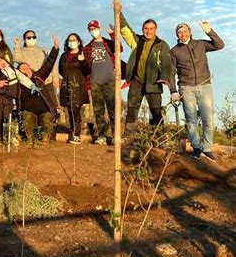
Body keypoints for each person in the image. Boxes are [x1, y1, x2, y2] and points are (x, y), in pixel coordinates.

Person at [169, 21, 224, 161]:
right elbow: (171, 72)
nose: (183, 34)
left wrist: (209, 31)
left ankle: (207, 148)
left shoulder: (201, 44)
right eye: (180, 32)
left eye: (185, 31)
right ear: (177, 34)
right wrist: (173, 91)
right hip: (186, 88)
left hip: (205, 85)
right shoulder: (174, 51)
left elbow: (219, 45)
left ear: (190, 31)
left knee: (208, 119)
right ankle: (196, 147)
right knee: (191, 120)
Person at [119, 10, 172, 138]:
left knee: (156, 111)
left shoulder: (161, 45)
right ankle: (128, 136)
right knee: (132, 110)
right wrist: (118, 13)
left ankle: (157, 137)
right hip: (136, 81)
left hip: (153, 83)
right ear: (143, 29)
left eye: (151, 29)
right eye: (146, 28)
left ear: (155, 30)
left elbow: (166, 62)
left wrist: (164, 77)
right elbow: (125, 30)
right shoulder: (137, 41)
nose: (148, 31)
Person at [83, 20, 123, 145]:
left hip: (110, 80)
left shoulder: (107, 43)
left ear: (99, 28)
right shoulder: (88, 47)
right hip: (95, 82)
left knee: (113, 109)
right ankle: (102, 135)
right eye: (91, 29)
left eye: (95, 28)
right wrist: (88, 86)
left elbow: (119, 48)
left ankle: (116, 135)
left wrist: (113, 35)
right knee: (98, 110)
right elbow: (87, 67)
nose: (93, 31)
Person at [18, 34, 60, 146]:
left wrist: (55, 49)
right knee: (28, 118)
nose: (26, 69)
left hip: (44, 109)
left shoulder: (39, 77)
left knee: (47, 119)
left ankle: (46, 138)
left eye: (27, 67)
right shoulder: (19, 84)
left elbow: (49, 64)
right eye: (23, 68)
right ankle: (30, 139)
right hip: (29, 110)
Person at [0, 56, 34, 147]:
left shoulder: (14, 70)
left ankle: (10, 136)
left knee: (9, 117)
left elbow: (23, 78)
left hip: (10, 98)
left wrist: (32, 85)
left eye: (2, 60)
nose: (1, 63)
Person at [58, 33, 91, 144]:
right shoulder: (64, 56)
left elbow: (88, 71)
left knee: (75, 110)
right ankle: (73, 131)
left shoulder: (83, 53)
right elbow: (60, 70)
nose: (71, 42)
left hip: (78, 87)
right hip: (66, 85)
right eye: (70, 40)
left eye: (74, 40)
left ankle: (76, 135)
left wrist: (82, 60)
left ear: (78, 42)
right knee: (70, 109)